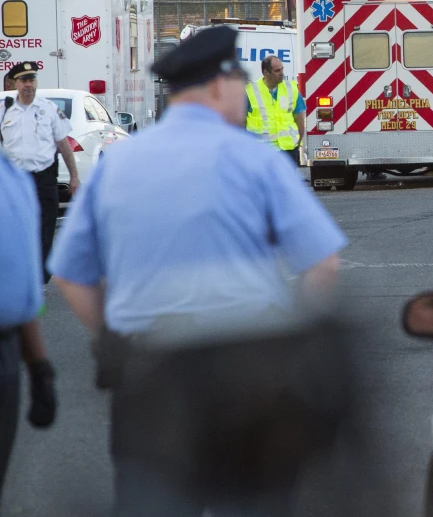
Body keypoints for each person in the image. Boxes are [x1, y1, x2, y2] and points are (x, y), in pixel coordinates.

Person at [48, 26, 347, 517]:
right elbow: (322, 264)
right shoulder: (256, 160)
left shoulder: (117, 165)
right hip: (250, 374)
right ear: (216, 86)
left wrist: (114, 333)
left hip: (150, 375)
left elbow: (69, 274)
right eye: (239, 84)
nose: (245, 95)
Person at [0, 150, 56, 498]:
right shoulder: (10, 181)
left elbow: (19, 290)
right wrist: (38, 367)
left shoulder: (11, 179)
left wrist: (39, 368)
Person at [0, 62, 80, 283]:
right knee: (16, 229)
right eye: (24, 81)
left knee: (45, 229)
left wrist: (74, 176)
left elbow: (63, 145)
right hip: (15, 180)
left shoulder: (49, 110)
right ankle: (20, 274)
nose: (29, 85)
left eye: (32, 80)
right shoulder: (5, 110)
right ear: (15, 83)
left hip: (44, 178)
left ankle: (40, 280)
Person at [245, 55, 304, 166]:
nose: (281, 73)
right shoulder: (251, 91)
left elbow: (300, 120)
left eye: (282, 69)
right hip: (261, 151)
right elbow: (240, 123)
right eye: (277, 70)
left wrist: (297, 143)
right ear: (266, 72)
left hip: (289, 150)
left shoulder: (291, 88)